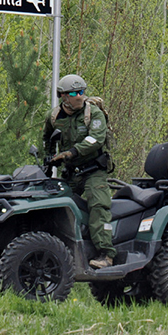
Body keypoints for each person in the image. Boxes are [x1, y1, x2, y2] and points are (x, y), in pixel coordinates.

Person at [44, 74, 115, 269]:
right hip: (71, 172)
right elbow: (47, 139)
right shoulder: (54, 117)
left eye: (82, 91)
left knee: (98, 205)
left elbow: (96, 139)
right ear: (63, 96)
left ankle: (106, 254)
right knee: (54, 204)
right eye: (75, 93)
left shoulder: (93, 114)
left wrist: (72, 152)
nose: (80, 96)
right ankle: (55, 252)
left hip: (93, 170)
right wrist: (49, 160)